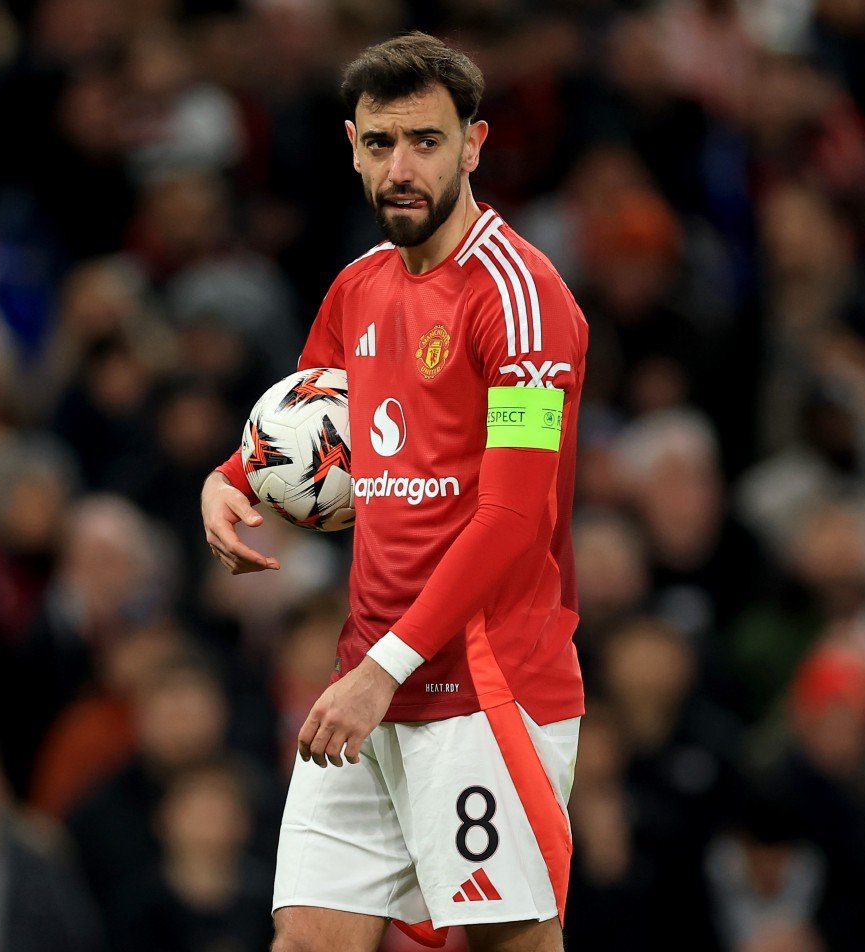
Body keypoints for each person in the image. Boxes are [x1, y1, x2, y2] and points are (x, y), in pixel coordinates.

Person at [201, 33, 588, 952]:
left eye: (425, 140)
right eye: (381, 144)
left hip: (483, 692)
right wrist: (226, 477)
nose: (401, 167)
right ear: (351, 145)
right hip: (367, 688)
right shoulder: (356, 289)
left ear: (475, 144)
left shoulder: (520, 296)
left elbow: (511, 517)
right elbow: (306, 434)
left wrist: (384, 673)